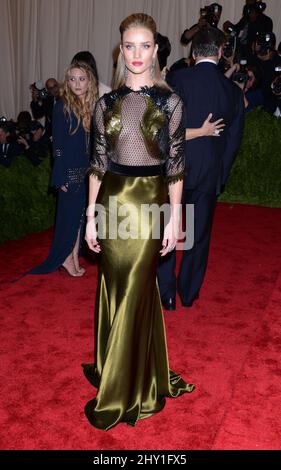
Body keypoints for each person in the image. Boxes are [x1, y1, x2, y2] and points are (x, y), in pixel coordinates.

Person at [82, 13, 195, 430]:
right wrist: (91, 218)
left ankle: (123, 390)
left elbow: (176, 170)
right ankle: (117, 365)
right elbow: (96, 166)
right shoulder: (105, 104)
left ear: (155, 50)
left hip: (149, 206)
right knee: (113, 284)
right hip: (111, 202)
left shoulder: (170, 102)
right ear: (120, 49)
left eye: (144, 45)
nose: (136, 54)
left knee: (135, 287)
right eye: (129, 45)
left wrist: (174, 220)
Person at [157, 26, 245, 310]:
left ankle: (166, 293)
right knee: (199, 235)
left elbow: (161, 126)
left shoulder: (177, 78)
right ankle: (188, 293)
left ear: (193, 54)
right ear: (221, 53)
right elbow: (233, 141)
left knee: (167, 228)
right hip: (208, 172)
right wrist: (221, 174)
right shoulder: (232, 91)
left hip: (173, 168)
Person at [30, 63, 98, 276]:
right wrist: (60, 177)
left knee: (79, 218)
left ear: (89, 82)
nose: (77, 84)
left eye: (81, 79)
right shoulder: (61, 105)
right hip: (69, 171)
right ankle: (66, 258)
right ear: (67, 82)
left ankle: (73, 258)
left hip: (87, 170)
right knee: (69, 219)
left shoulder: (92, 105)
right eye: (72, 79)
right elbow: (57, 145)